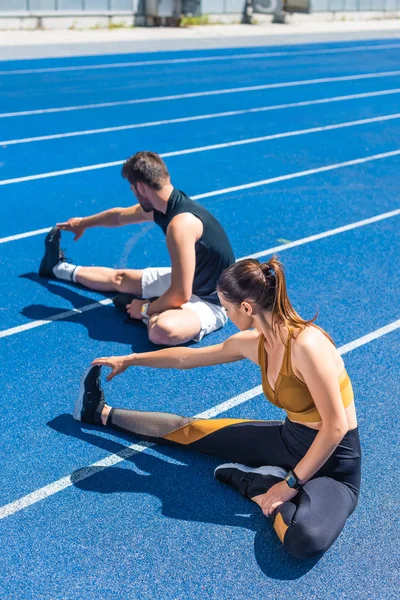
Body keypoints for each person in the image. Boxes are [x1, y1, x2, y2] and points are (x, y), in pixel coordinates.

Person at [73, 257, 361, 559]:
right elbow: (186, 358)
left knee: (304, 539)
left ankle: (255, 483)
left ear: (246, 308)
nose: (225, 314)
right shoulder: (255, 342)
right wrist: (130, 360)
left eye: (227, 308)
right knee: (191, 431)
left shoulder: (307, 347)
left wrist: (288, 485)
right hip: (290, 441)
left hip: (335, 465)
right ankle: (101, 413)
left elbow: (335, 427)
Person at [39, 151, 235, 346]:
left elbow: (180, 294)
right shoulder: (164, 206)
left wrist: (145, 309)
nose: (133, 194)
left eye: (132, 190)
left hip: (212, 301)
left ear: (140, 187)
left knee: (162, 330)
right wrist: (83, 223)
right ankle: (57, 268)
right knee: (120, 279)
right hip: (190, 279)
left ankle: (148, 311)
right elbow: (118, 217)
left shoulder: (180, 225)